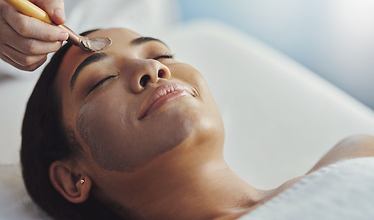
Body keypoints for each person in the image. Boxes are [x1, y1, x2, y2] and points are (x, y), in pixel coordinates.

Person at [21, 27, 374, 220]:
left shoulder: (358, 155)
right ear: (72, 177)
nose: (153, 69)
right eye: (100, 80)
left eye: (162, 55)